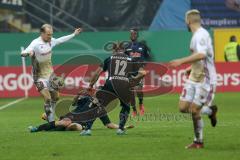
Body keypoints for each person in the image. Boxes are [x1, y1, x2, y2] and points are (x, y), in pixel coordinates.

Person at [169, 9, 218, 149]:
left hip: (206, 80)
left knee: (195, 110)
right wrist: (191, 67)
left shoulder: (201, 35)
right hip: (194, 77)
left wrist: (181, 61)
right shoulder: (196, 35)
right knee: (183, 108)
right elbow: (202, 56)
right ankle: (210, 111)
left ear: (188, 21)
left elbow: (202, 55)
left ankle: (198, 141)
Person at [21, 24, 82, 122]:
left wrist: (74, 34)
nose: (50, 37)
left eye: (51, 34)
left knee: (56, 97)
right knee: (47, 98)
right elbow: (24, 51)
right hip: (39, 76)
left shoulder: (51, 41)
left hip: (50, 74)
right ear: (42, 33)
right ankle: (51, 120)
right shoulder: (35, 43)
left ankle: (47, 114)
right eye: (48, 35)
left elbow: (60, 40)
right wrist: (28, 53)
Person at [85, 41, 146, 135]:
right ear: (124, 50)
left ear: (114, 50)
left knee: (97, 105)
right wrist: (135, 78)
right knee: (125, 107)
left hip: (110, 83)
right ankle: (120, 129)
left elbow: (97, 73)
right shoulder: (131, 59)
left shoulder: (109, 58)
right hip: (124, 85)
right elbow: (143, 73)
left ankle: (87, 130)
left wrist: (90, 85)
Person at [29, 90, 133, 133]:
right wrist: (78, 95)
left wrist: (124, 127)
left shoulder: (101, 110)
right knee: (66, 123)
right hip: (70, 117)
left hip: (80, 124)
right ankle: (37, 128)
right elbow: (74, 103)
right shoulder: (87, 99)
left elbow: (109, 124)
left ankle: (49, 120)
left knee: (73, 126)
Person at [125, 28, 150, 117]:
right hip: (129, 71)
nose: (133, 35)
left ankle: (140, 103)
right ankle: (134, 109)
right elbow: (124, 58)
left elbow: (148, 56)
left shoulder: (142, 46)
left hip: (139, 70)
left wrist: (144, 64)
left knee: (139, 89)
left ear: (137, 35)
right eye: (131, 34)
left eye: (135, 34)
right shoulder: (126, 47)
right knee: (131, 91)